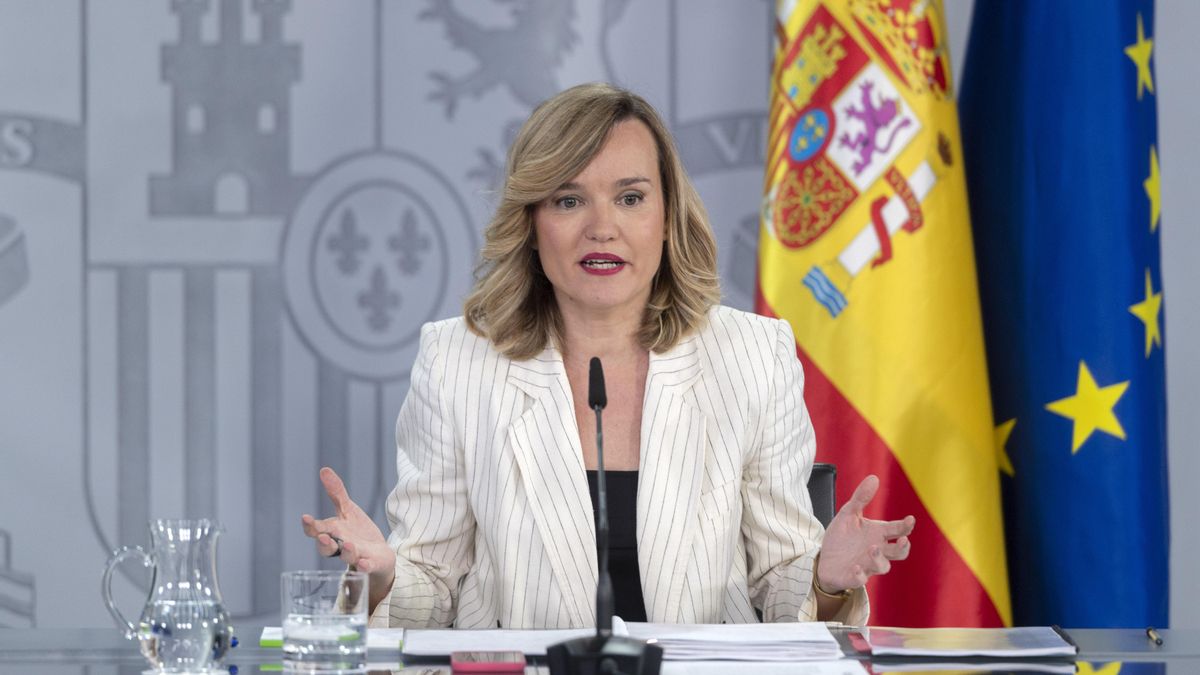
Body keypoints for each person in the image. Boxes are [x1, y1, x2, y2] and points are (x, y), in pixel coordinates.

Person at [301, 82, 914, 629]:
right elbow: (428, 589)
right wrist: (381, 574)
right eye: (568, 201)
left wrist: (823, 578)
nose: (601, 227)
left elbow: (782, 585)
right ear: (531, 221)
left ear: (668, 218)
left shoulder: (753, 355)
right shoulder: (457, 360)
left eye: (629, 198)